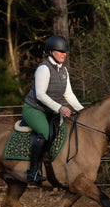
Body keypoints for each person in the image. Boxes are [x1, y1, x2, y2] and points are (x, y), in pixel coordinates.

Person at [22, 35, 84, 183]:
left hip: (50, 111)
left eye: (65, 51)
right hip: (34, 109)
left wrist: (83, 111)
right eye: (60, 51)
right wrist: (60, 107)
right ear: (51, 52)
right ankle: (32, 172)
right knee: (44, 132)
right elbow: (41, 95)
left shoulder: (64, 71)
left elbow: (68, 94)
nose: (64, 54)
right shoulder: (44, 69)